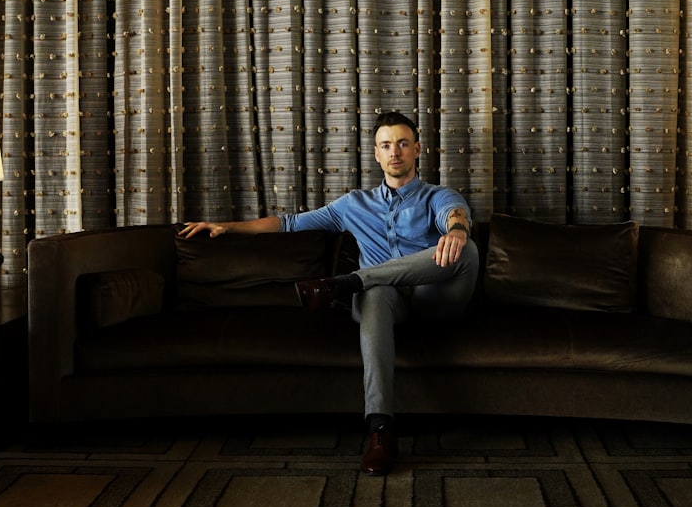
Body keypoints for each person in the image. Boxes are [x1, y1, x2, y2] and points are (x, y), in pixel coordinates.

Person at [178, 111, 479, 476]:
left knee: (468, 250)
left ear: (417, 149)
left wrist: (458, 231)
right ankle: (380, 430)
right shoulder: (354, 205)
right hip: (385, 304)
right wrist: (226, 226)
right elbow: (290, 223)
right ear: (376, 154)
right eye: (386, 145)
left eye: (402, 143)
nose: (395, 152)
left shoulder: (437, 196)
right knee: (375, 294)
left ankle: (348, 282)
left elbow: (456, 213)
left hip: (436, 300)